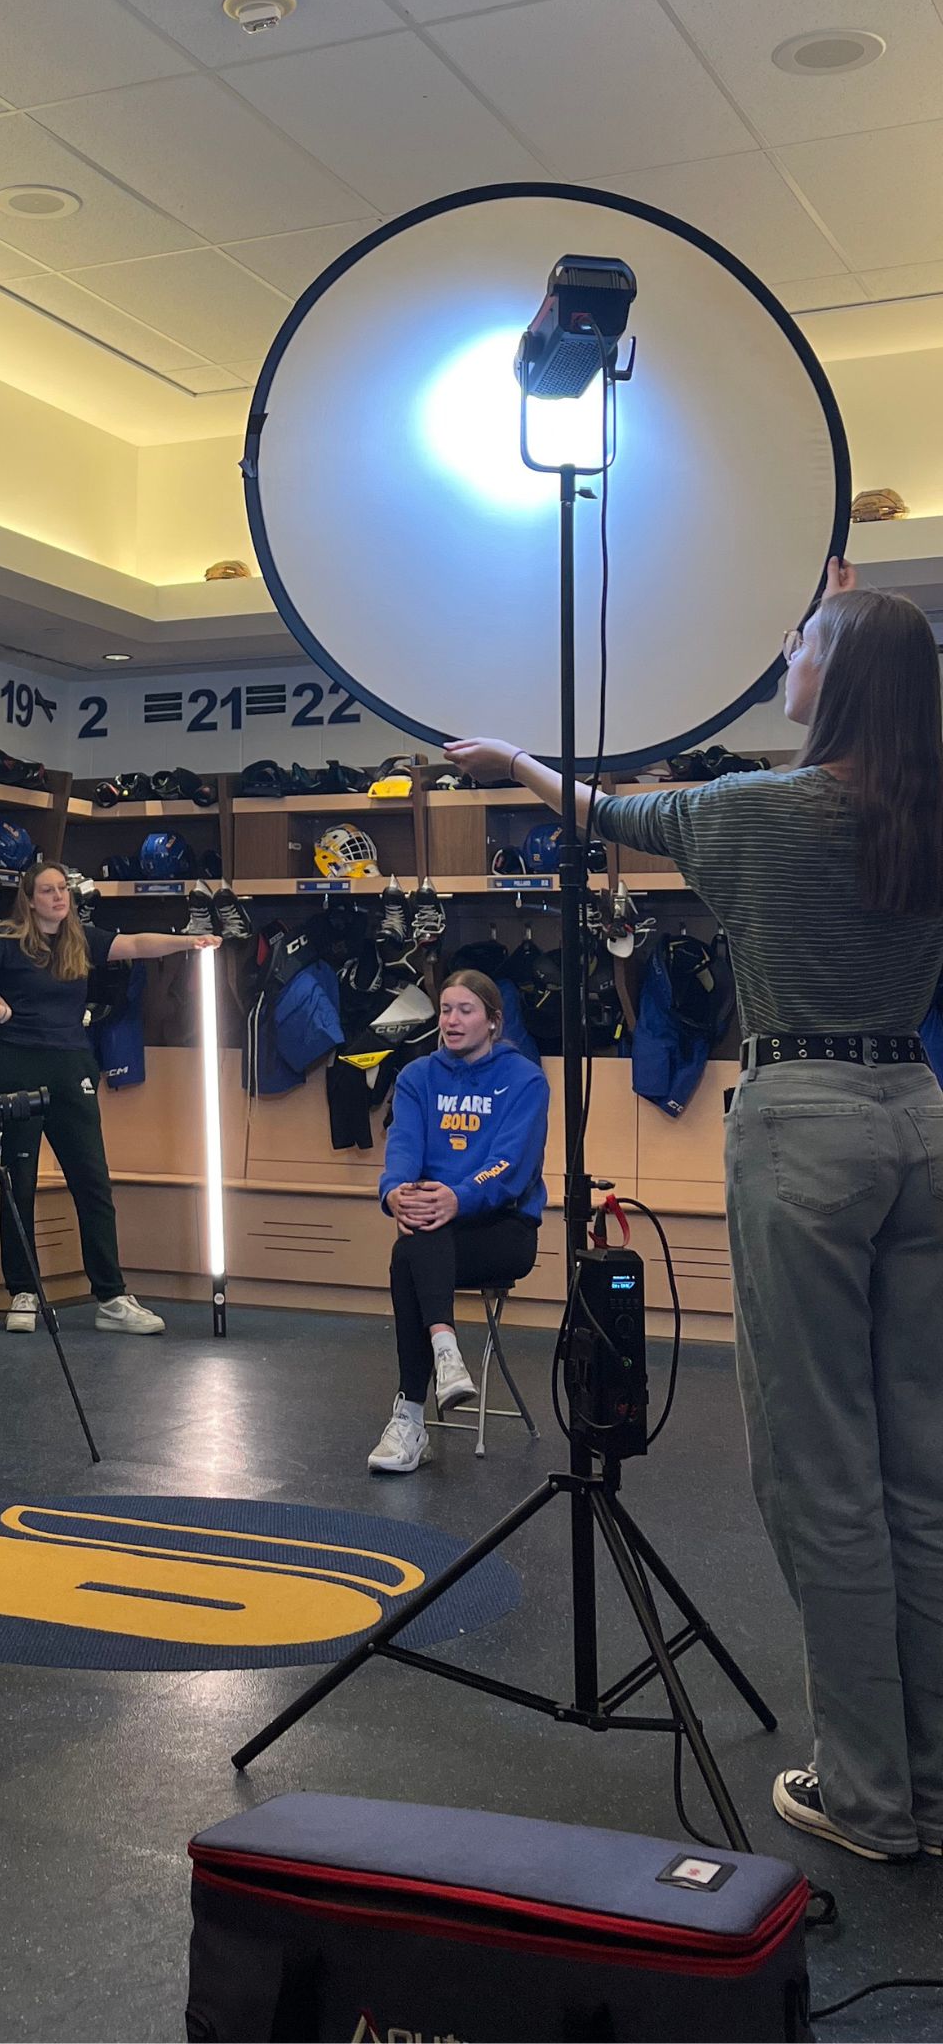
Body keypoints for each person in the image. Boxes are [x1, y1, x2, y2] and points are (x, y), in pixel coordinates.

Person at [446, 557, 943, 1863]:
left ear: (834, 680)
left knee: (820, 1471)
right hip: (921, 1119)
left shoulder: (755, 813)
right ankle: (936, 1787)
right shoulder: (929, 815)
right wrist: (858, 612)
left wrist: (516, 759)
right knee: (923, 1469)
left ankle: (870, 1797)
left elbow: (612, 813)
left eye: (802, 643)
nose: (784, 657)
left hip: (809, 1125)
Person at [0, 862, 220, 1336]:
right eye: (48, 891)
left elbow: (134, 944)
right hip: (14, 1068)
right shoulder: (4, 942)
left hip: (72, 1067)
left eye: (63, 889)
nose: (58, 897)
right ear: (29, 899)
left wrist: (188, 942)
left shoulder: (81, 939)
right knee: (17, 1186)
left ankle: (111, 1297)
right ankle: (24, 1293)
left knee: (92, 1181)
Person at [369, 970, 549, 1473]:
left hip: (504, 1229)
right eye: (446, 1009)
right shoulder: (417, 1077)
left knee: (411, 1250)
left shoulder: (525, 1080)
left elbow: (512, 1165)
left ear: (493, 1021)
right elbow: (402, 1148)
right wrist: (396, 1193)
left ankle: (411, 1417)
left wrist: (459, 1196)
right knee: (414, 1244)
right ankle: (443, 1360)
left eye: (465, 1010)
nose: (451, 1020)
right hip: (436, 1229)